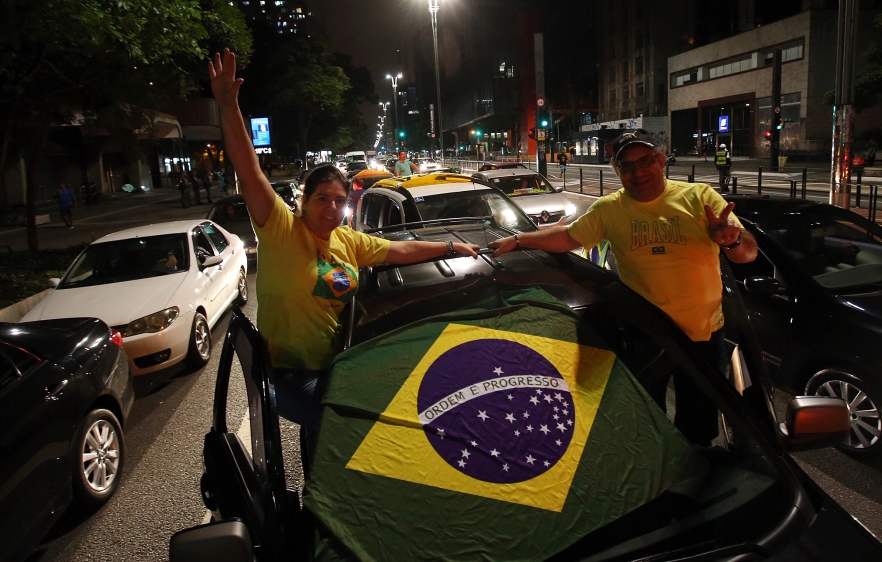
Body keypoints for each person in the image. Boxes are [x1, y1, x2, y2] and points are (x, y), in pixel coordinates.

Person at [209, 48, 480, 449]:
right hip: (284, 373)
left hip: (335, 364)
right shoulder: (281, 229)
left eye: (339, 201)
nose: (331, 209)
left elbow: (401, 252)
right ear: (304, 202)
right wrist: (228, 106)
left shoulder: (349, 240)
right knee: (345, 424)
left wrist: (452, 247)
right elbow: (249, 172)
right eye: (322, 199)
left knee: (332, 436)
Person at [489, 129, 758, 447]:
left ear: (661, 161)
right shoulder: (609, 209)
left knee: (698, 429)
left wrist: (731, 240)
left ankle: (697, 469)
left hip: (703, 334)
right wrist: (520, 239)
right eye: (626, 165)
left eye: (645, 161)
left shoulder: (700, 198)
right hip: (646, 334)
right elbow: (568, 237)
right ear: (617, 171)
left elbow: (747, 254)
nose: (638, 172)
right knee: (647, 421)